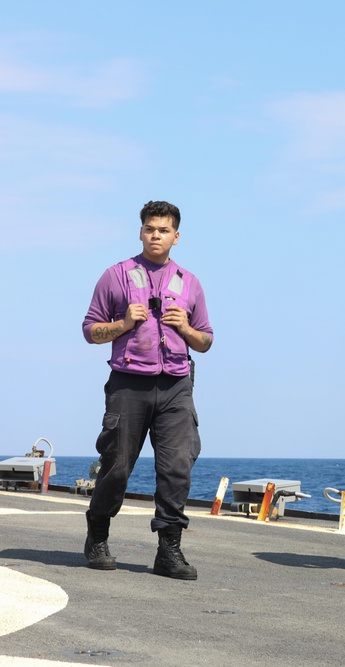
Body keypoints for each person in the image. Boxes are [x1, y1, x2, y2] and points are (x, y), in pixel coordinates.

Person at [81, 200, 213, 580]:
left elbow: (206, 341)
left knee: (177, 467)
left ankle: (169, 550)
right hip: (128, 384)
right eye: (150, 229)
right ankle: (98, 535)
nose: (156, 235)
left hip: (175, 385)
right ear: (141, 232)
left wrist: (185, 329)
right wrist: (123, 323)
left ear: (176, 236)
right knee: (117, 465)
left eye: (164, 230)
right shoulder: (116, 275)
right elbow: (90, 331)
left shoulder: (189, 283)